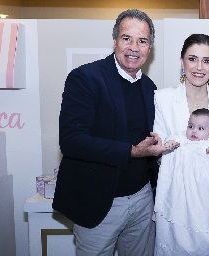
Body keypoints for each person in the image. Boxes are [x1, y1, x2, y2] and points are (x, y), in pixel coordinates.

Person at [52, 9, 167, 256]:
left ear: (150, 48)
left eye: (142, 41)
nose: (134, 47)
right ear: (114, 40)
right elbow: (71, 141)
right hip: (99, 203)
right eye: (127, 38)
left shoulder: (150, 88)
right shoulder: (86, 78)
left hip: (143, 199)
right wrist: (132, 151)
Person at [154, 108, 209, 255]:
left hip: (205, 189)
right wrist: (170, 143)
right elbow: (172, 139)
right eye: (191, 126)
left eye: (200, 128)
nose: (194, 131)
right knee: (182, 222)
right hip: (183, 188)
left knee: (204, 218)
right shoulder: (182, 138)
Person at [153, 33, 209, 164]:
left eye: (207, 61)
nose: (199, 67)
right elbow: (159, 150)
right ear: (182, 61)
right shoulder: (162, 98)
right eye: (192, 59)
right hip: (176, 180)